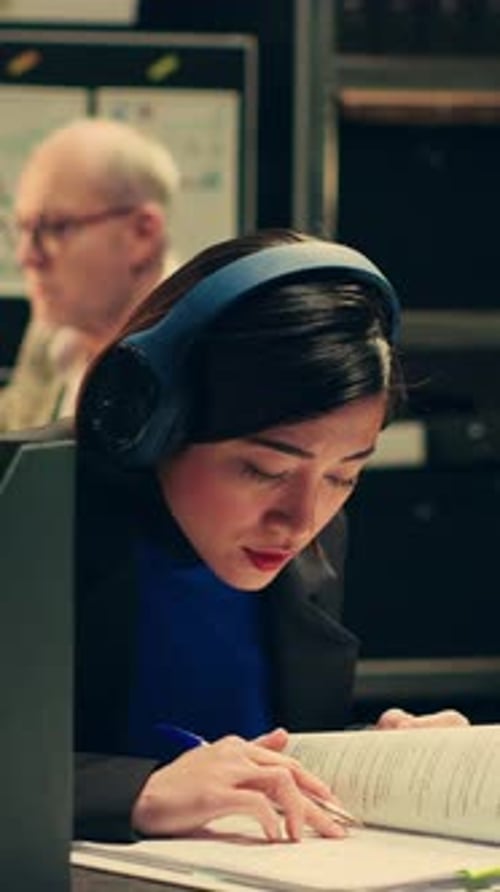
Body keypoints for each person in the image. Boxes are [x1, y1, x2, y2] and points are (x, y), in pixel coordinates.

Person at [72, 228, 468, 845]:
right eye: (264, 469)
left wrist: (377, 762)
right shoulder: (27, 516)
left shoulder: (312, 536)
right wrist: (136, 790)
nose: (302, 518)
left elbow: (261, 748)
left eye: (345, 474)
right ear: (149, 419)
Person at [0, 117, 180, 431]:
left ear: (142, 234)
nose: (27, 256)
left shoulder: (205, 355)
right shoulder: (54, 329)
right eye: (23, 229)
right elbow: (13, 428)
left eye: (54, 228)